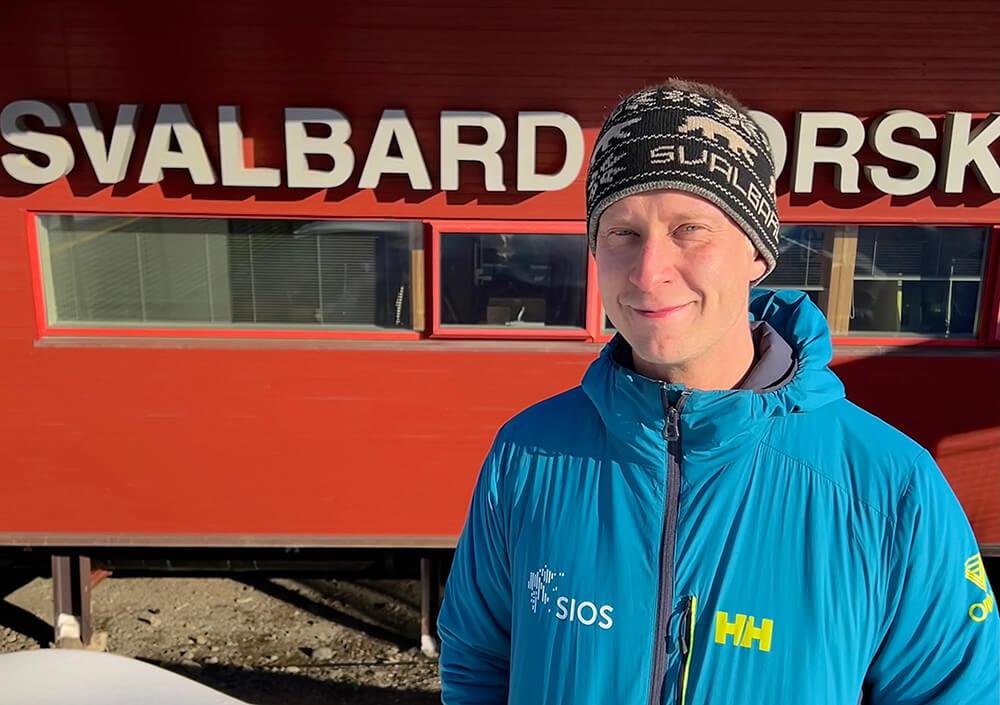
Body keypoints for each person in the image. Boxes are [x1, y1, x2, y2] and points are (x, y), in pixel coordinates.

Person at [436, 79, 999, 705]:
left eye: (689, 228)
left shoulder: (888, 487)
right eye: (622, 233)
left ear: (758, 252)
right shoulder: (527, 453)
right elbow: (477, 663)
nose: (649, 272)